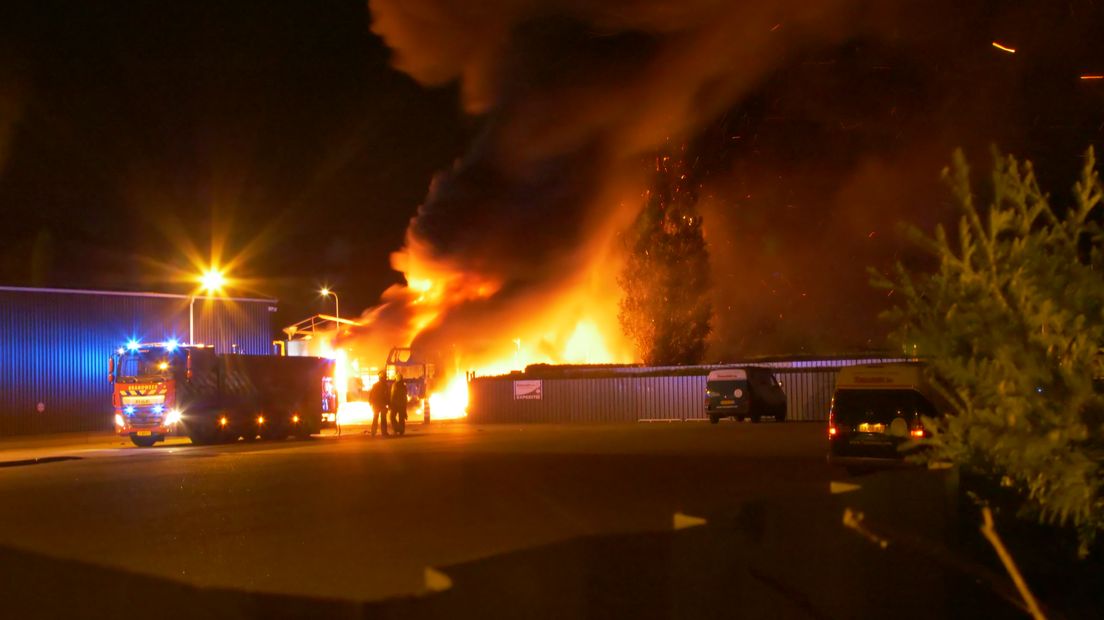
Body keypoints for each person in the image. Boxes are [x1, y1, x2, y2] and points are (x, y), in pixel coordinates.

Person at [369, 371, 390, 437]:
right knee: (382, 419)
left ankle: (374, 432)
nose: (385, 379)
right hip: (380, 404)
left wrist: (371, 403)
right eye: (385, 378)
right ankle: (383, 433)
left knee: (376, 418)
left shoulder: (376, 385)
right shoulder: (384, 386)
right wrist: (388, 403)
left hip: (377, 404)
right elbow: (387, 396)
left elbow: (371, 395)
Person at [390, 372, 408, 436]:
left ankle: (398, 429)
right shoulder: (402, 386)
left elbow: (393, 395)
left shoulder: (396, 385)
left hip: (396, 405)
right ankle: (400, 430)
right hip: (399, 404)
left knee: (394, 417)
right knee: (400, 418)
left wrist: (391, 404)